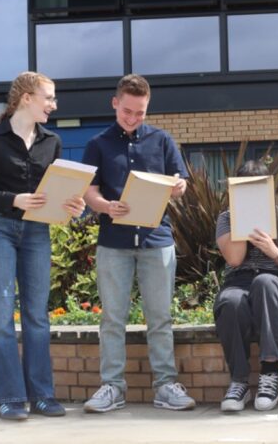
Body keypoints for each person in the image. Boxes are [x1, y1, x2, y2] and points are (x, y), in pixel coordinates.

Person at [0, 72, 85, 420]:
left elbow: (55, 192)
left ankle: (42, 396)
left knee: (37, 316)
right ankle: (9, 397)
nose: (54, 105)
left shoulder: (52, 141)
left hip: (37, 232)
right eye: (48, 98)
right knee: (1, 315)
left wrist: (72, 205)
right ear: (25, 98)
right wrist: (14, 199)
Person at [81, 74, 195, 412]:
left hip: (156, 240)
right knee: (112, 319)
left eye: (140, 113)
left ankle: (165, 386)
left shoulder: (162, 140)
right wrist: (102, 205)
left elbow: (181, 182)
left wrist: (179, 187)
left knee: (159, 318)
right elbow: (89, 190)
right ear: (115, 103)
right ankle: (112, 388)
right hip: (113, 241)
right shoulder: (97, 144)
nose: (133, 118)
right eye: (127, 111)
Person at [214, 160, 278, 412]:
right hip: (238, 283)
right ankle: (239, 381)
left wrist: (274, 251)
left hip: (275, 287)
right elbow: (234, 259)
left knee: (264, 281)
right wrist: (244, 222)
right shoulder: (226, 219)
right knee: (230, 301)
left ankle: (269, 371)